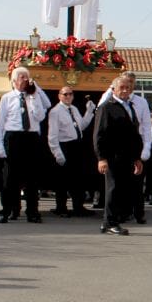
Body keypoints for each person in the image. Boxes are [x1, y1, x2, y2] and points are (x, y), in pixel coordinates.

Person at [0, 67, 51, 224]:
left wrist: (35, 93)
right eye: (21, 77)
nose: (25, 80)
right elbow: (0, 123)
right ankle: (7, 210)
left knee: (32, 178)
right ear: (14, 81)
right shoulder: (7, 98)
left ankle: (32, 212)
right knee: (10, 178)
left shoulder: (34, 96)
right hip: (13, 137)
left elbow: (43, 111)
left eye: (27, 77)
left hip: (31, 137)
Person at [94, 73, 145, 236]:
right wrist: (101, 158)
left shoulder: (129, 107)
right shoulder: (106, 107)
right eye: (121, 88)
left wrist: (137, 157)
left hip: (127, 157)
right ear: (114, 89)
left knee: (121, 189)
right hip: (112, 156)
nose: (125, 90)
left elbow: (135, 134)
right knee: (113, 189)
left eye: (127, 88)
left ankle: (109, 221)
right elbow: (99, 134)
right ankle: (110, 222)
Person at [47, 86, 96, 217]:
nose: (68, 97)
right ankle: (61, 207)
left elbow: (81, 126)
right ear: (59, 96)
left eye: (70, 94)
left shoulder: (73, 109)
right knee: (62, 180)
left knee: (78, 179)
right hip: (64, 146)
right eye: (65, 94)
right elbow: (52, 135)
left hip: (76, 146)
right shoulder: (55, 112)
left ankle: (78, 206)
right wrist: (57, 153)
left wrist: (89, 112)